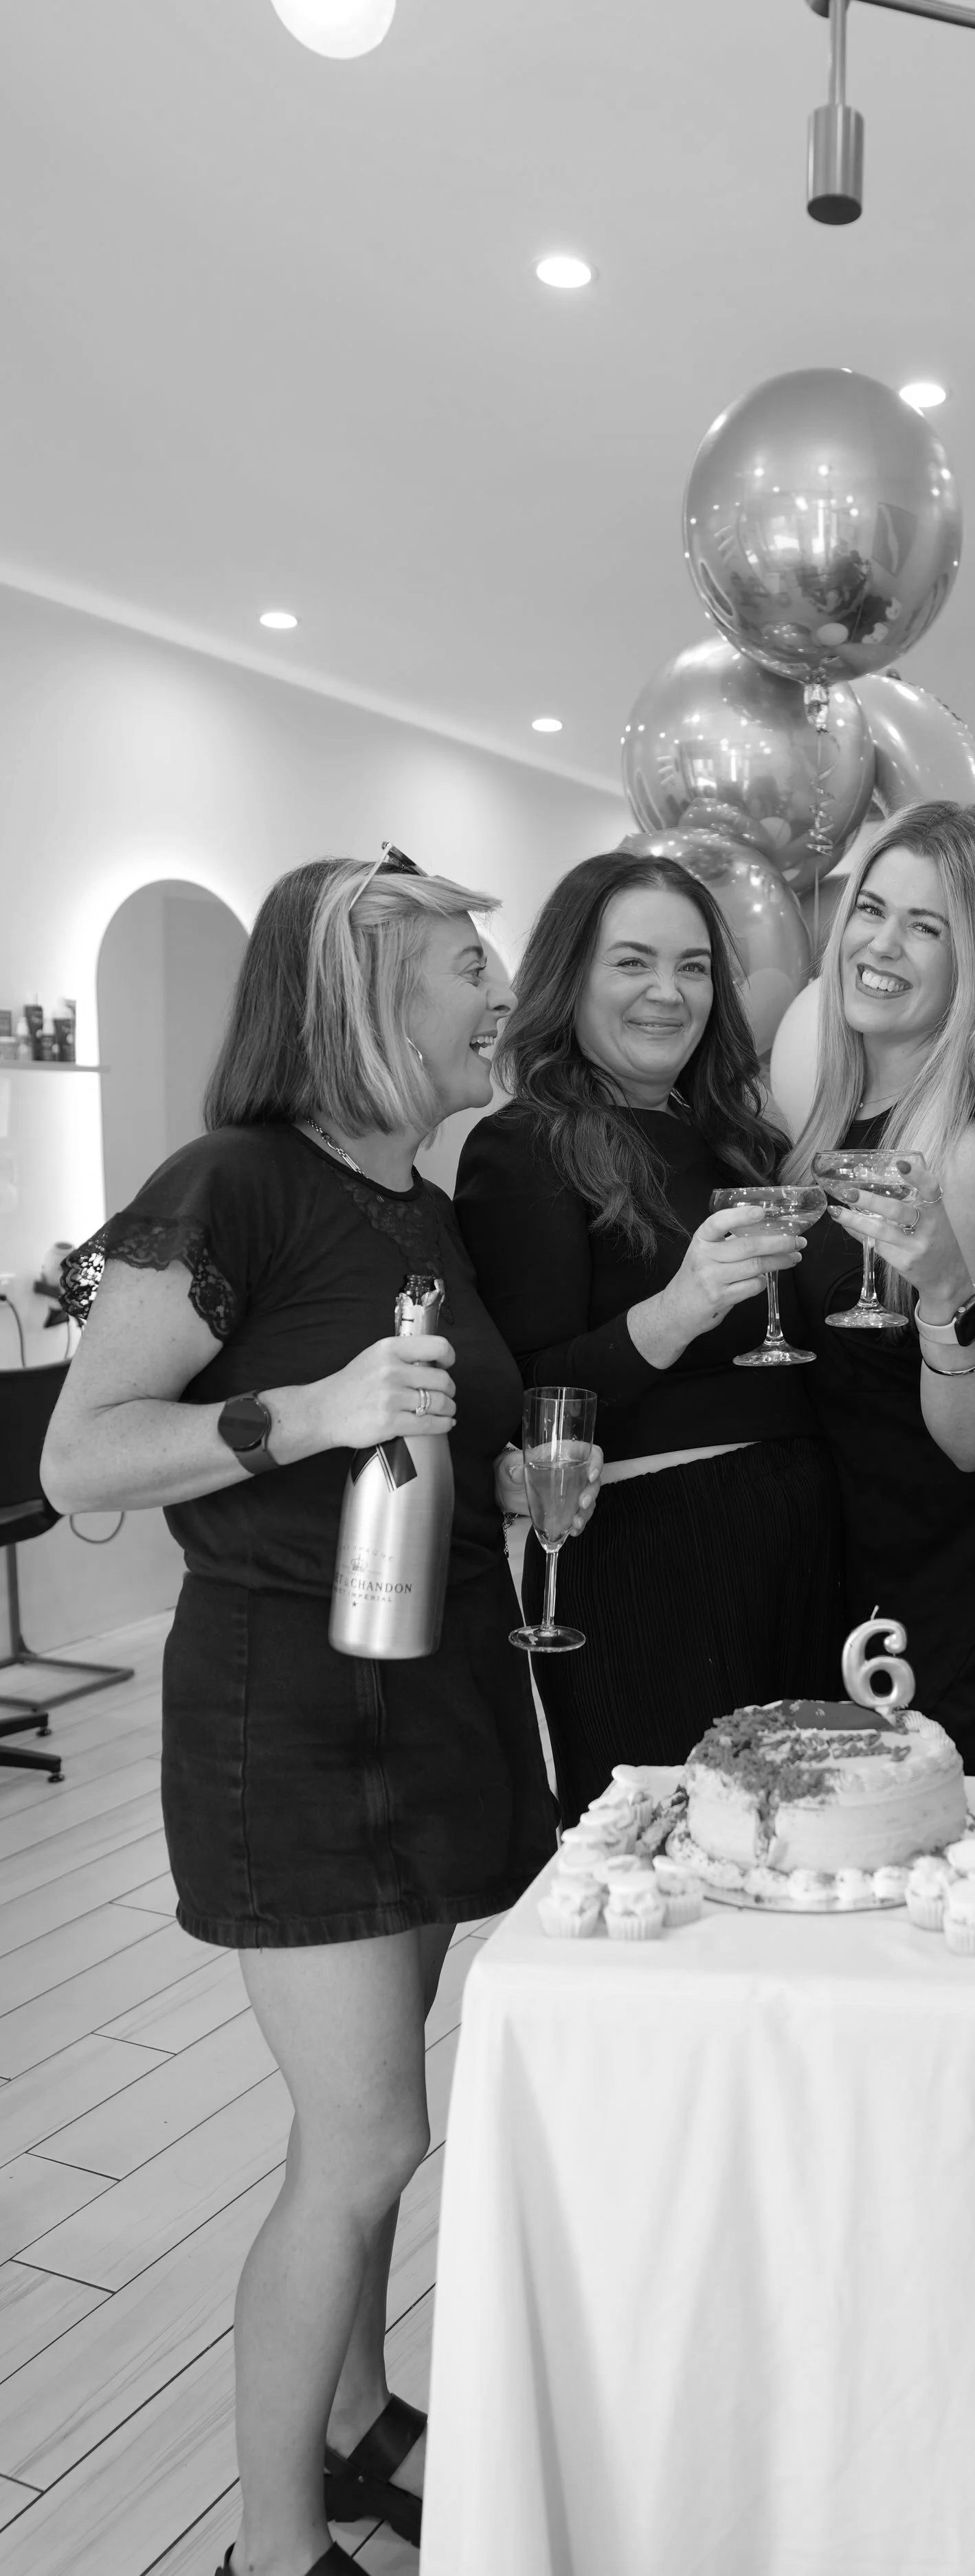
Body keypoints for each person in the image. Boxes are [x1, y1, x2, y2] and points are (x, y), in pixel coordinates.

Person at [43, 856, 587, 2576]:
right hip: (286, 1709)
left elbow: (416, 1434)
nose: (499, 995)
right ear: (364, 993)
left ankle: (357, 2427)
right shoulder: (231, 1186)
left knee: (362, 2121)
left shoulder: (413, 1202)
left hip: (429, 1681)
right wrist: (313, 1409)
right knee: (365, 2142)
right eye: (465, 967)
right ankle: (272, 2546)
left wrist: (516, 1480)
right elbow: (80, 1463)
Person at [455, 851, 844, 1818]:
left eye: (694, 966)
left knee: (797, 1853)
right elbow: (530, 1392)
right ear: (570, 977)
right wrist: (674, 1312)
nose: (668, 993)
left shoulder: (740, 1137)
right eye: (632, 962)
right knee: (667, 1856)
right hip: (647, 1548)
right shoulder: (524, 1143)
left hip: (795, 1532)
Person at [780, 801, 975, 1772]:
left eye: (927, 927)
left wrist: (942, 1282)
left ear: (974, 966)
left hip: (964, 1596)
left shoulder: (966, 1153)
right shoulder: (827, 1126)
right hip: (862, 1580)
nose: (882, 944)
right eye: (871, 909)